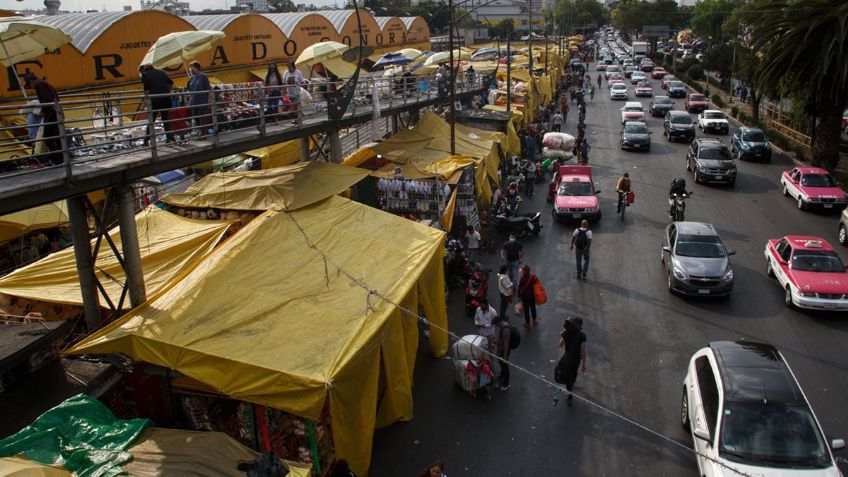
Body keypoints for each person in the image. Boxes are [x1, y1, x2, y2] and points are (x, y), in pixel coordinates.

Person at [23, 73, 62, 165]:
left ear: (31, 81)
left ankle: (56, 160)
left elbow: (47, 100)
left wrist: (43, 111)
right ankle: (62, 158)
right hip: (55, 112)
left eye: (29, 85)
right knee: (57, 136)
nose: (31, 88)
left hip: (51, 114)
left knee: (48, 136)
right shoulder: (44, 83)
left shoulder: (39, 85)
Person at [140, 64, 174, 144]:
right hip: (165, 98)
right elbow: (171, 83)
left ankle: (147, 140)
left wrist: (146, 101)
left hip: (154, 100)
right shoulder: (161, 72)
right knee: (165, 119)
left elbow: (146, 90)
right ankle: (169, 137)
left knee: (151, 120)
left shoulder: (145, 75)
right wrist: (167, 91)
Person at [558, 316, 587, 405]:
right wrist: (584, 363)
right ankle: (573, 382)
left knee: (567, 376)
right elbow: (583, 350)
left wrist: (563, 334)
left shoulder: (566, 332)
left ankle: (569, 395)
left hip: (567, 358)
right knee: (574, 372)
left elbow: (560, 344)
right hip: (576, 360)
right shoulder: (582, 336)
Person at [187, 61, 211, 134]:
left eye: (192, 68)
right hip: (194, 102)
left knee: (201, 118)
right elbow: (190, 90)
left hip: (202, 101)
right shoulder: (192, 78)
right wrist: (190, 100)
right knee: (196, 118)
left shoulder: (203, 77)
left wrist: (209, 102)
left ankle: (203, 133)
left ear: (197, 68)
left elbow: (208, 89)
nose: (191, 70)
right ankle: (203, 131)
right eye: (190, 68)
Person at [517, 265, 539, 329]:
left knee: (526, 310)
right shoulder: (533, 277)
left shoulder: (522, 279)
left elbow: (519, 288)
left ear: (524, 271)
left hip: (525, 296)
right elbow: (536, 283)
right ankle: (534, 320)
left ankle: (528, 324)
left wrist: (519, 296)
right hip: (532, 295)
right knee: (533, 307)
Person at [494, 317, 512, 391]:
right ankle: (502, 375)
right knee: (502, 365)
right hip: (500, 351)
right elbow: (501, 339)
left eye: (496, 324)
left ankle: (506, 384)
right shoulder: (503, 326)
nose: (495, 326)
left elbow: (506, 344)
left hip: (503, 352)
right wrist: (497, 341)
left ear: (499, 322)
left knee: (505, 366)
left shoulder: (506, 331)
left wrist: (504, 357)